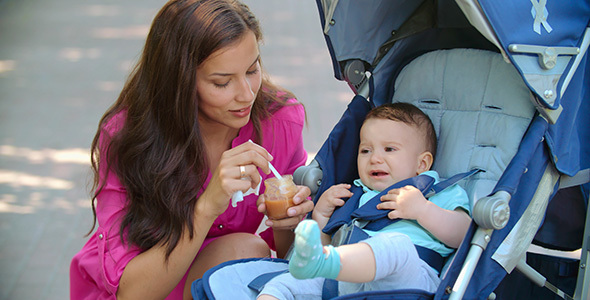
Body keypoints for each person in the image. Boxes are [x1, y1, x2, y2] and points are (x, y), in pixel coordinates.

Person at [69, 0, 314, 299]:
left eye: (252, 70)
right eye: (222, 82)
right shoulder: (127, 136)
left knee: (249, 250)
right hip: (147, 281)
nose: (247, 94)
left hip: (221, 277)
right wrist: (208, 205)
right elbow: (132, 293)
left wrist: (287, 224)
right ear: (180, 82)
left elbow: (288, 260)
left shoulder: (280, 120)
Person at [257, 103, 472, 299]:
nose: (375, 158)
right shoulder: (355, 194)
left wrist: (423, 210)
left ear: (422, 163)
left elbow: (464, 233)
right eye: (365, 150)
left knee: (396, 245)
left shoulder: (437, 192)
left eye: (389, 149)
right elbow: (328, 245)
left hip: (409, 280)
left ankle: (328, 264)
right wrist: (321, 216)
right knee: (287, 282)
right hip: (350, 278)